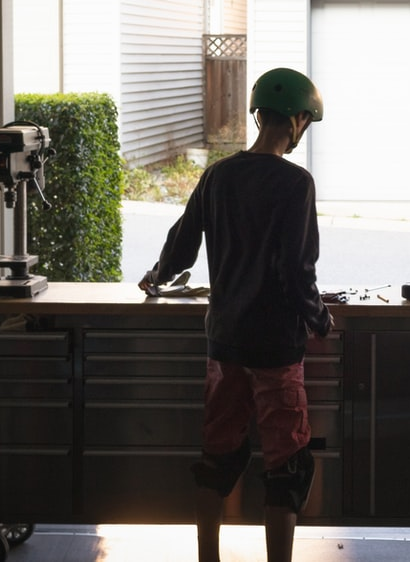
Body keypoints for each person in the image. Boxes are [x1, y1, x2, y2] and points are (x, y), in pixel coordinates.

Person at [139, 67, 333, 562]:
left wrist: (157, 275)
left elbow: (182, 246)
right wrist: (319, 318)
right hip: (275, 349)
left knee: (218, 457)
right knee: (286, 465)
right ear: (297, 120)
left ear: (258, 115)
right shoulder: (296, 183)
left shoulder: (218, 175)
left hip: (224, 345)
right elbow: (296, 269)